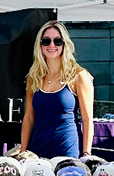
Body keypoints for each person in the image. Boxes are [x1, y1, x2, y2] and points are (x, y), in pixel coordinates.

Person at [19, 21, 94, 159]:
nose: (52, 45)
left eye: (57, 41)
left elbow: (87, 119)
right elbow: (29, 117)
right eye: (46, 41)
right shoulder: (34, 77)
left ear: (64, 44)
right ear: (40, 45)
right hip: (37, 150)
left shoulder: (78, 76)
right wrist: (23, 149)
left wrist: (86, 154)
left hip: (67, 150)